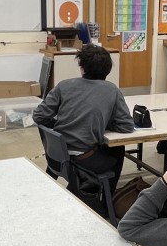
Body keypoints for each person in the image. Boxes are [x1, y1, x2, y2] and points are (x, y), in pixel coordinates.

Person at [33, 44, 134, 193]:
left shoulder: (63, 86)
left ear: (82, 67)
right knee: (118, 149)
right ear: (108, 69)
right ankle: (107, 201)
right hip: (84, 161)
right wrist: (104, 123)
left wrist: (58, 125)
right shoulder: (112, 90)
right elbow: (127, 126)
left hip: (57, 155)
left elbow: (38, 116)